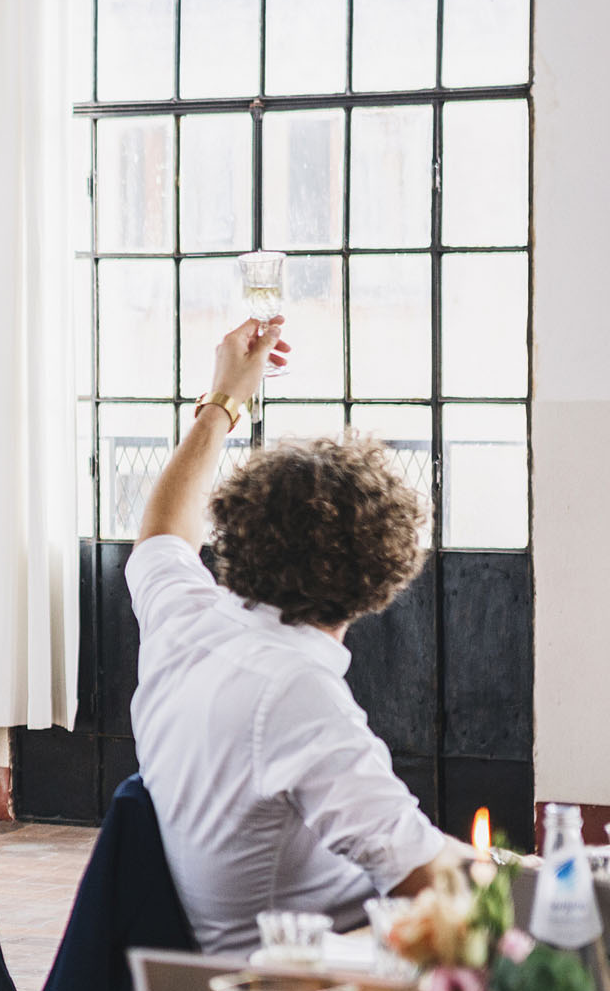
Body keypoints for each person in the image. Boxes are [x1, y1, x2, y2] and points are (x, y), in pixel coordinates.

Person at [130, 315, 462, 957]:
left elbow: (163, 535)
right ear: (385, 574)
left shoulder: (189, 622)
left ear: (237, 525)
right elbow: (422, 875)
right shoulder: (296, 691)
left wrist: (224, 401)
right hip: (301, 980)